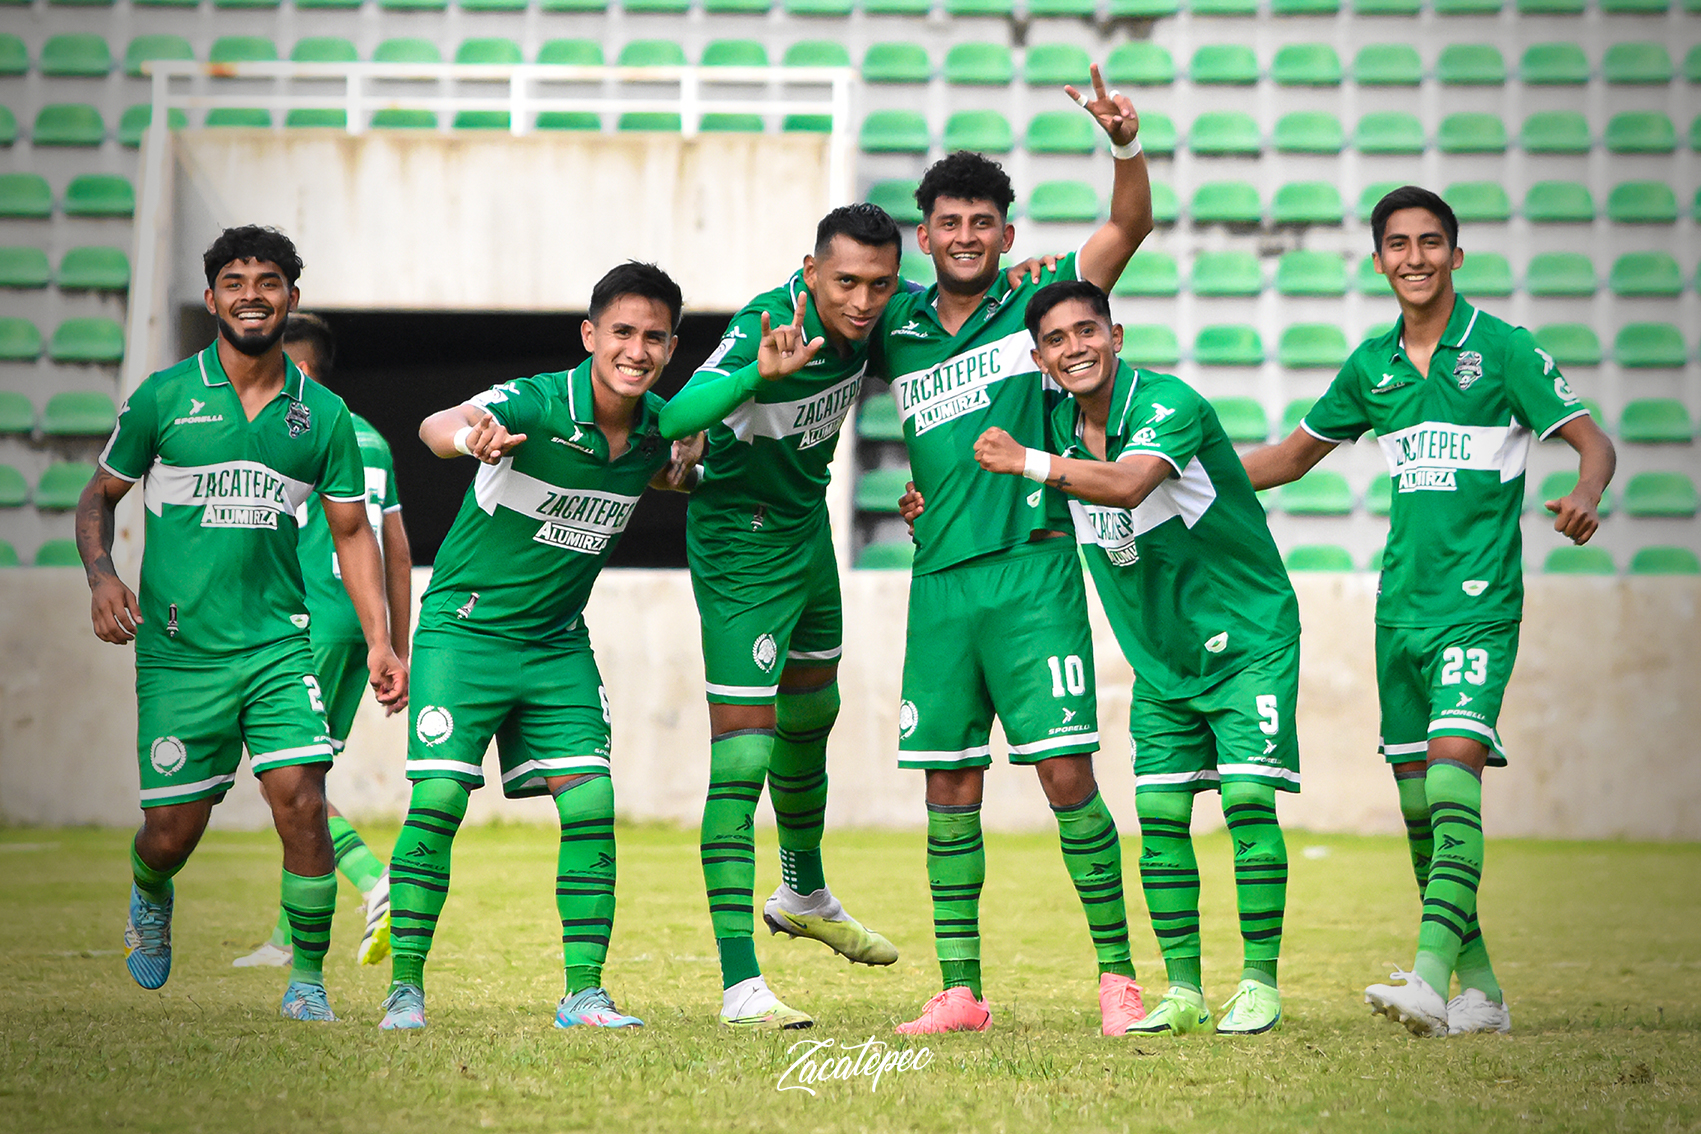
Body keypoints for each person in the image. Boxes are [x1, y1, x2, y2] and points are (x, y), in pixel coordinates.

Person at [1242, 186, 1616, 1037]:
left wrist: (1585, 492)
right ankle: (1480, 993)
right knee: (1420, 811)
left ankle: (1427, 979)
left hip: (1477, 606)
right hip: (1398, 611)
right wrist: (1169, 475)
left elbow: (1591, 439)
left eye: (1430, 242)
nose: (1414, 257)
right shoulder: (1369, 367)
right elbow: (1289, 459)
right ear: (1378, 261)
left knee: (1452, 776)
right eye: (1398, 245)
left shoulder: (1503, 349)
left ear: (1455, 254)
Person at [876, 64, 1156, 1036]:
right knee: (948, 782)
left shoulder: (1039, 296)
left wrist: (1123, 143)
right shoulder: (894, 324)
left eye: (982, 222)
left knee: (1066, 776)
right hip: (938, 580)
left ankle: (1118, 980)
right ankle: (959, 990)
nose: (965, 235)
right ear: (924, 235)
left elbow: (1127, 227)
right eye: (948, 222)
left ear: (1005, 233)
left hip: (1034, 571)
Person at [74, 226, 408, 1022]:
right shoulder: (163, 397)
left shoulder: (323, 416)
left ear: (291, 297)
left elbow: (356, 533)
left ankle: (307, 985)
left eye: (267, 282)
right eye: (234, 281)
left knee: (301, 799)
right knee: (171, 833)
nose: (251, 295)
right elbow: (97, 497)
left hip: (278, 644)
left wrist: (382, 640)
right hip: (181, 652)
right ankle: (150, 891)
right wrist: (102, 576)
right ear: (211, 297)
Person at [964, 280, 1301, 1036]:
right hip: (1160, 657)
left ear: (1115, 336)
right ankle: (1183, 992)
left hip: (1248, 636)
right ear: (1040, 359)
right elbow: (1036, 514)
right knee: (1159, 815)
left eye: (1087, 330)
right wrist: (932, 511)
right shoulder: (1057, 426)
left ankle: (1258, 983)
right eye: (1056, 339)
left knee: (1248, 800)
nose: (1075, 347)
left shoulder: (1166, 405)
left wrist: (1025, 461)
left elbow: (1126, 486)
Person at [378, 262, 701, 1032]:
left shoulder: (660, 427)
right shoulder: (533, 402)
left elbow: (677, 478)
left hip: (556, 643)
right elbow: (434, 426)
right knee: (438, 800)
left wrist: (693, 468)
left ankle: (583, 995)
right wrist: (470, 438)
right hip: (465, 631)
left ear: (670, 347)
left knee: (591, 803)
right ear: (589, 335)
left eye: (654, 337)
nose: (636, 350)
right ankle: (403, 992)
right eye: (621, 332)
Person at [657, 204, 904, 1030]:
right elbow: (673, 419)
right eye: (846, 282)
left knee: (811, 717)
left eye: (878, 285)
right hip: (742, 548)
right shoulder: (770, 323)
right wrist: (754, 379)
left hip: (806, 534)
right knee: (742, 755)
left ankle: (802, 892)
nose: (862, 301)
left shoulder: (870, 324)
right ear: (810, 272)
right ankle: (740, 986)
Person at [233, 312, 413, 970]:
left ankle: (373, 879)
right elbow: (397, 552)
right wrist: (393, 645)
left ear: (299, 369)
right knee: (299, 780)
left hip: (302, 622)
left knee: (284, 781)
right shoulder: (370, 438)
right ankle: (288, 938)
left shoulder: (291, 431)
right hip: (354, 627)